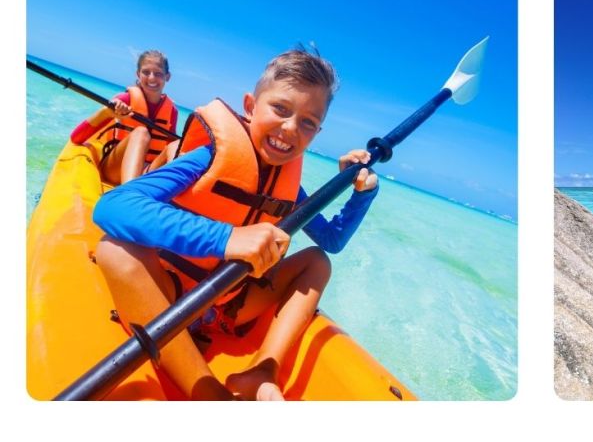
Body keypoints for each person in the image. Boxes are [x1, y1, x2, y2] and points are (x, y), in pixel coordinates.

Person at [92, 47, 380, 400]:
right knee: (115, 251)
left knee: (317, 262)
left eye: (308, 122)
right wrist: (226, 237)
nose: (290, 128)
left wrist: (361, 195)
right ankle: (209, 394)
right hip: (168, 293)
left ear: (317, 133)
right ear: (249, 107)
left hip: (229, 306)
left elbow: (331, 240)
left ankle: (262, 370)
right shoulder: (209, 156)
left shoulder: (291, 187)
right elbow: (113, 206)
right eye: (281, 109)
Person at [69, 50, 182, 184]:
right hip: (113, 169)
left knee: (177, 144)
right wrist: (106, 112)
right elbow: (76, 138)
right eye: (146, 72)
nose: (151, 78)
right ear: (138, 74)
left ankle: (171, 191)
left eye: (158, 74)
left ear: (167, 77)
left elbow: (170, 148)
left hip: (145, 173)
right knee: (141, 132)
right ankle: (128, 193)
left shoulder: (172, 111)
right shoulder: (124, 99)